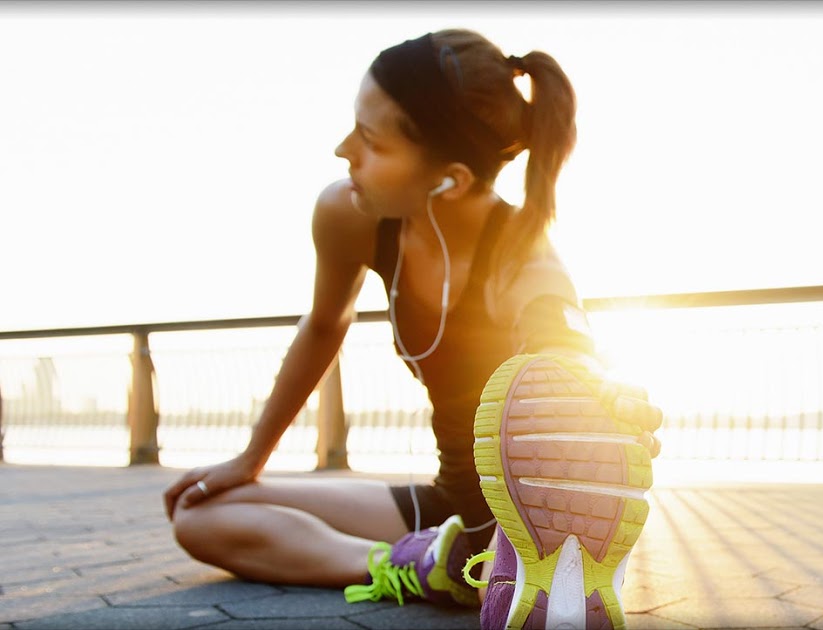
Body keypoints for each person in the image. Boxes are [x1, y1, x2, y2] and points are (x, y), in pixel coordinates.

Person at [162, 28, 661, 630]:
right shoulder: (350, 215)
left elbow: (566, 351)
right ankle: (428, 562)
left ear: (447, 179)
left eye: (370, 140)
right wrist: (249, 458)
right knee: (201, 513)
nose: (343, 149)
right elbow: (324, 326)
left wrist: (603, 408)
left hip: (520, 520)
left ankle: (530, 566)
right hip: (446, 502)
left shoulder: (525, 258)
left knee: (534, 502)